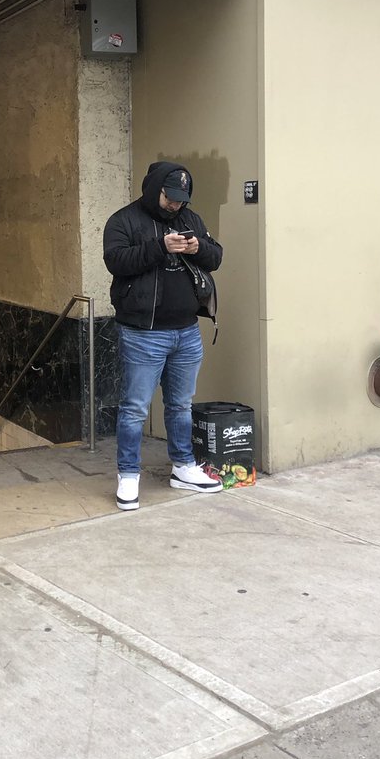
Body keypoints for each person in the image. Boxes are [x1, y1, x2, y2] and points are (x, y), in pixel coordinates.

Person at [103, 160, 223, 510]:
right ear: (153, 188)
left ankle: (183, 466)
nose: (176, 205)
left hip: (186, 330)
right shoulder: (123, 221)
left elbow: (216, 257)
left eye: (182, 199)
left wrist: (197, 247)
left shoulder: (191, 219)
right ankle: (128, 475)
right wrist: (160, 247)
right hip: (143, 333)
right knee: (135, 408)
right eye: (170, 198)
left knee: (181, 405)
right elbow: (116, 262)